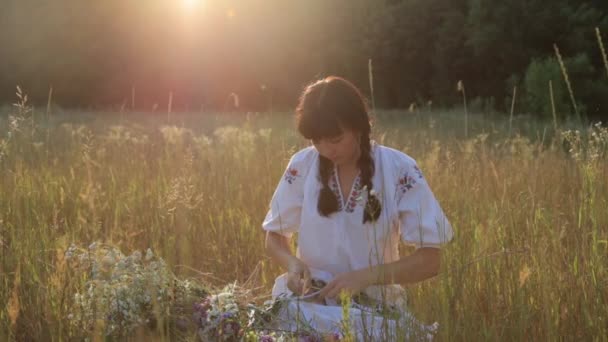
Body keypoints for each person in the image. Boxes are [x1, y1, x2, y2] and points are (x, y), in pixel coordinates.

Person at [262, 76, 454, 340]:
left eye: (336, 138)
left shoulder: (398, 169)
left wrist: (366, 277)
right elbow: (274, 237)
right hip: (309, 303)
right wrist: (293, 264)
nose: (326, 149)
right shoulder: (303, 165)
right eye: (316, 140)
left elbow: (431, 260)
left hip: (374, 308)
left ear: (360, 126)